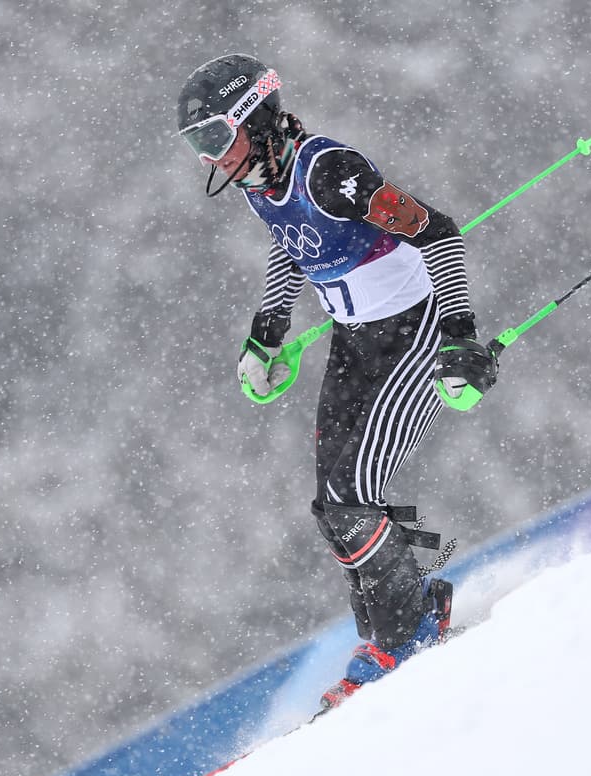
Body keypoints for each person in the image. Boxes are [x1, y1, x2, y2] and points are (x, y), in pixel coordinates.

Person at [176, 54, 498, 712]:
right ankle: (407, 617)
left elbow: (439, 234)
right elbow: (288, 240)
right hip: (355, 341)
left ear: (253, 119)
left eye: (213, 138)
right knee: (331, 505)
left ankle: (400, 637)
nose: (209, 158)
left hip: (412, 332)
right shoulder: (257, 178)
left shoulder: (332, 175)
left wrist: (462, 338)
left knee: (354, 497)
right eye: (196, 145)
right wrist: (266, 329)